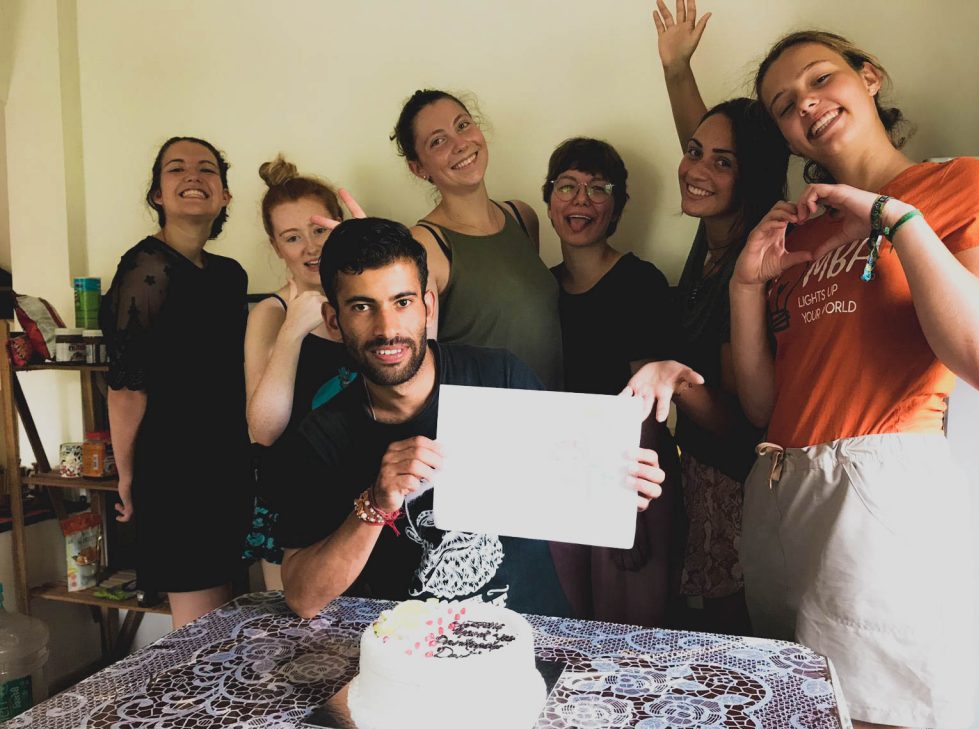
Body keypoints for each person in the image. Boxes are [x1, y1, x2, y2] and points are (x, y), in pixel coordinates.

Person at [730, 31, 979, 729]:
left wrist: (896, 220)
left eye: (821, 78)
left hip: (878, 494)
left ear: (870, 77)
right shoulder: (802, 232)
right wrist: (745, 286)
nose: (806, 104)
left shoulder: (965, 185)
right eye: (784, 104)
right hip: (779, 489)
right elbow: (766, 408)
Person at [272, 217, 666, 620]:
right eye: (362, 306)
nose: (387, 328)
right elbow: (303, 597)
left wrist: (615, 487)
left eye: (402, 302)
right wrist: (376, 504)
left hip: (529, 639)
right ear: (334, 320)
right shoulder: (321, 436)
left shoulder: (500, 377)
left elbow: (566, 479)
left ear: (428, 305)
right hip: (409, 653)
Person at [624, 0, 789, 634]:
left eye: (722, 163)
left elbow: (735, 418)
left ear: (751, 178)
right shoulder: (714, 227)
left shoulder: (750, 256)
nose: (694, 170)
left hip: (736, 484)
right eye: (693, 152)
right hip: (699, 474)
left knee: (733, 648)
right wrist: (675, 72)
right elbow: (713, 152)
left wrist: (669, 375)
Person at [101, 136, 252, 629]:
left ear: (225, 196)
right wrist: (127, 475)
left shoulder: (230, 275)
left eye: (207, 169)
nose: (193, 176)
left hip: (229, 461)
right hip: (176, 469)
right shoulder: (146, 269)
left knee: (233, 615)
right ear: (157, 195)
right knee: (202, 635)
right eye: (176, 169)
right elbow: (126, 386)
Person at [544, 136, 683, 627]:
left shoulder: (639, 282)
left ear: (618, 206)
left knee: (631, 634)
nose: (581, 200)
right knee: (566, 625)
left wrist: (632, 508)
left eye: (598, 188)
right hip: (560, 473)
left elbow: (643, 403)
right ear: (548, 200)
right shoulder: (540, 288)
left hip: (630, 472)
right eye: (567, 186)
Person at [392, 89, 563, 390]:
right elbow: (419, 369)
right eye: (438, 141)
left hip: (554, 420)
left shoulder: (522, 217)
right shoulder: (424, 246)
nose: (460, 144)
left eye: (462, 125)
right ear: (418, 168)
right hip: (483, 430)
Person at [243, 155, 358, 590]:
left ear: (339, 224)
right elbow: (263, 432)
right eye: (292, 237)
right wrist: (292, 332)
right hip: (293, 501)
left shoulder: (367, 302)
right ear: (276, 247)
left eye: (318, 230)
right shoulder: (269, 315)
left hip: (366, 496)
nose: (310, 247)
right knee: (296, 645)